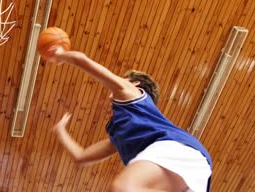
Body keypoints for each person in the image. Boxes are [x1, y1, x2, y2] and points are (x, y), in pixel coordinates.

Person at [47, 46, 212, 192]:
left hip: (179, 151)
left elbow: (80, 59)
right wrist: (60, 131)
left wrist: (61, 55)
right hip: (195, 169)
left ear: (135, 84)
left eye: (123, 79)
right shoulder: (121, 136)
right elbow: (81, 157)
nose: (119, 82)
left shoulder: (134, 96)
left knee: (123, 188)